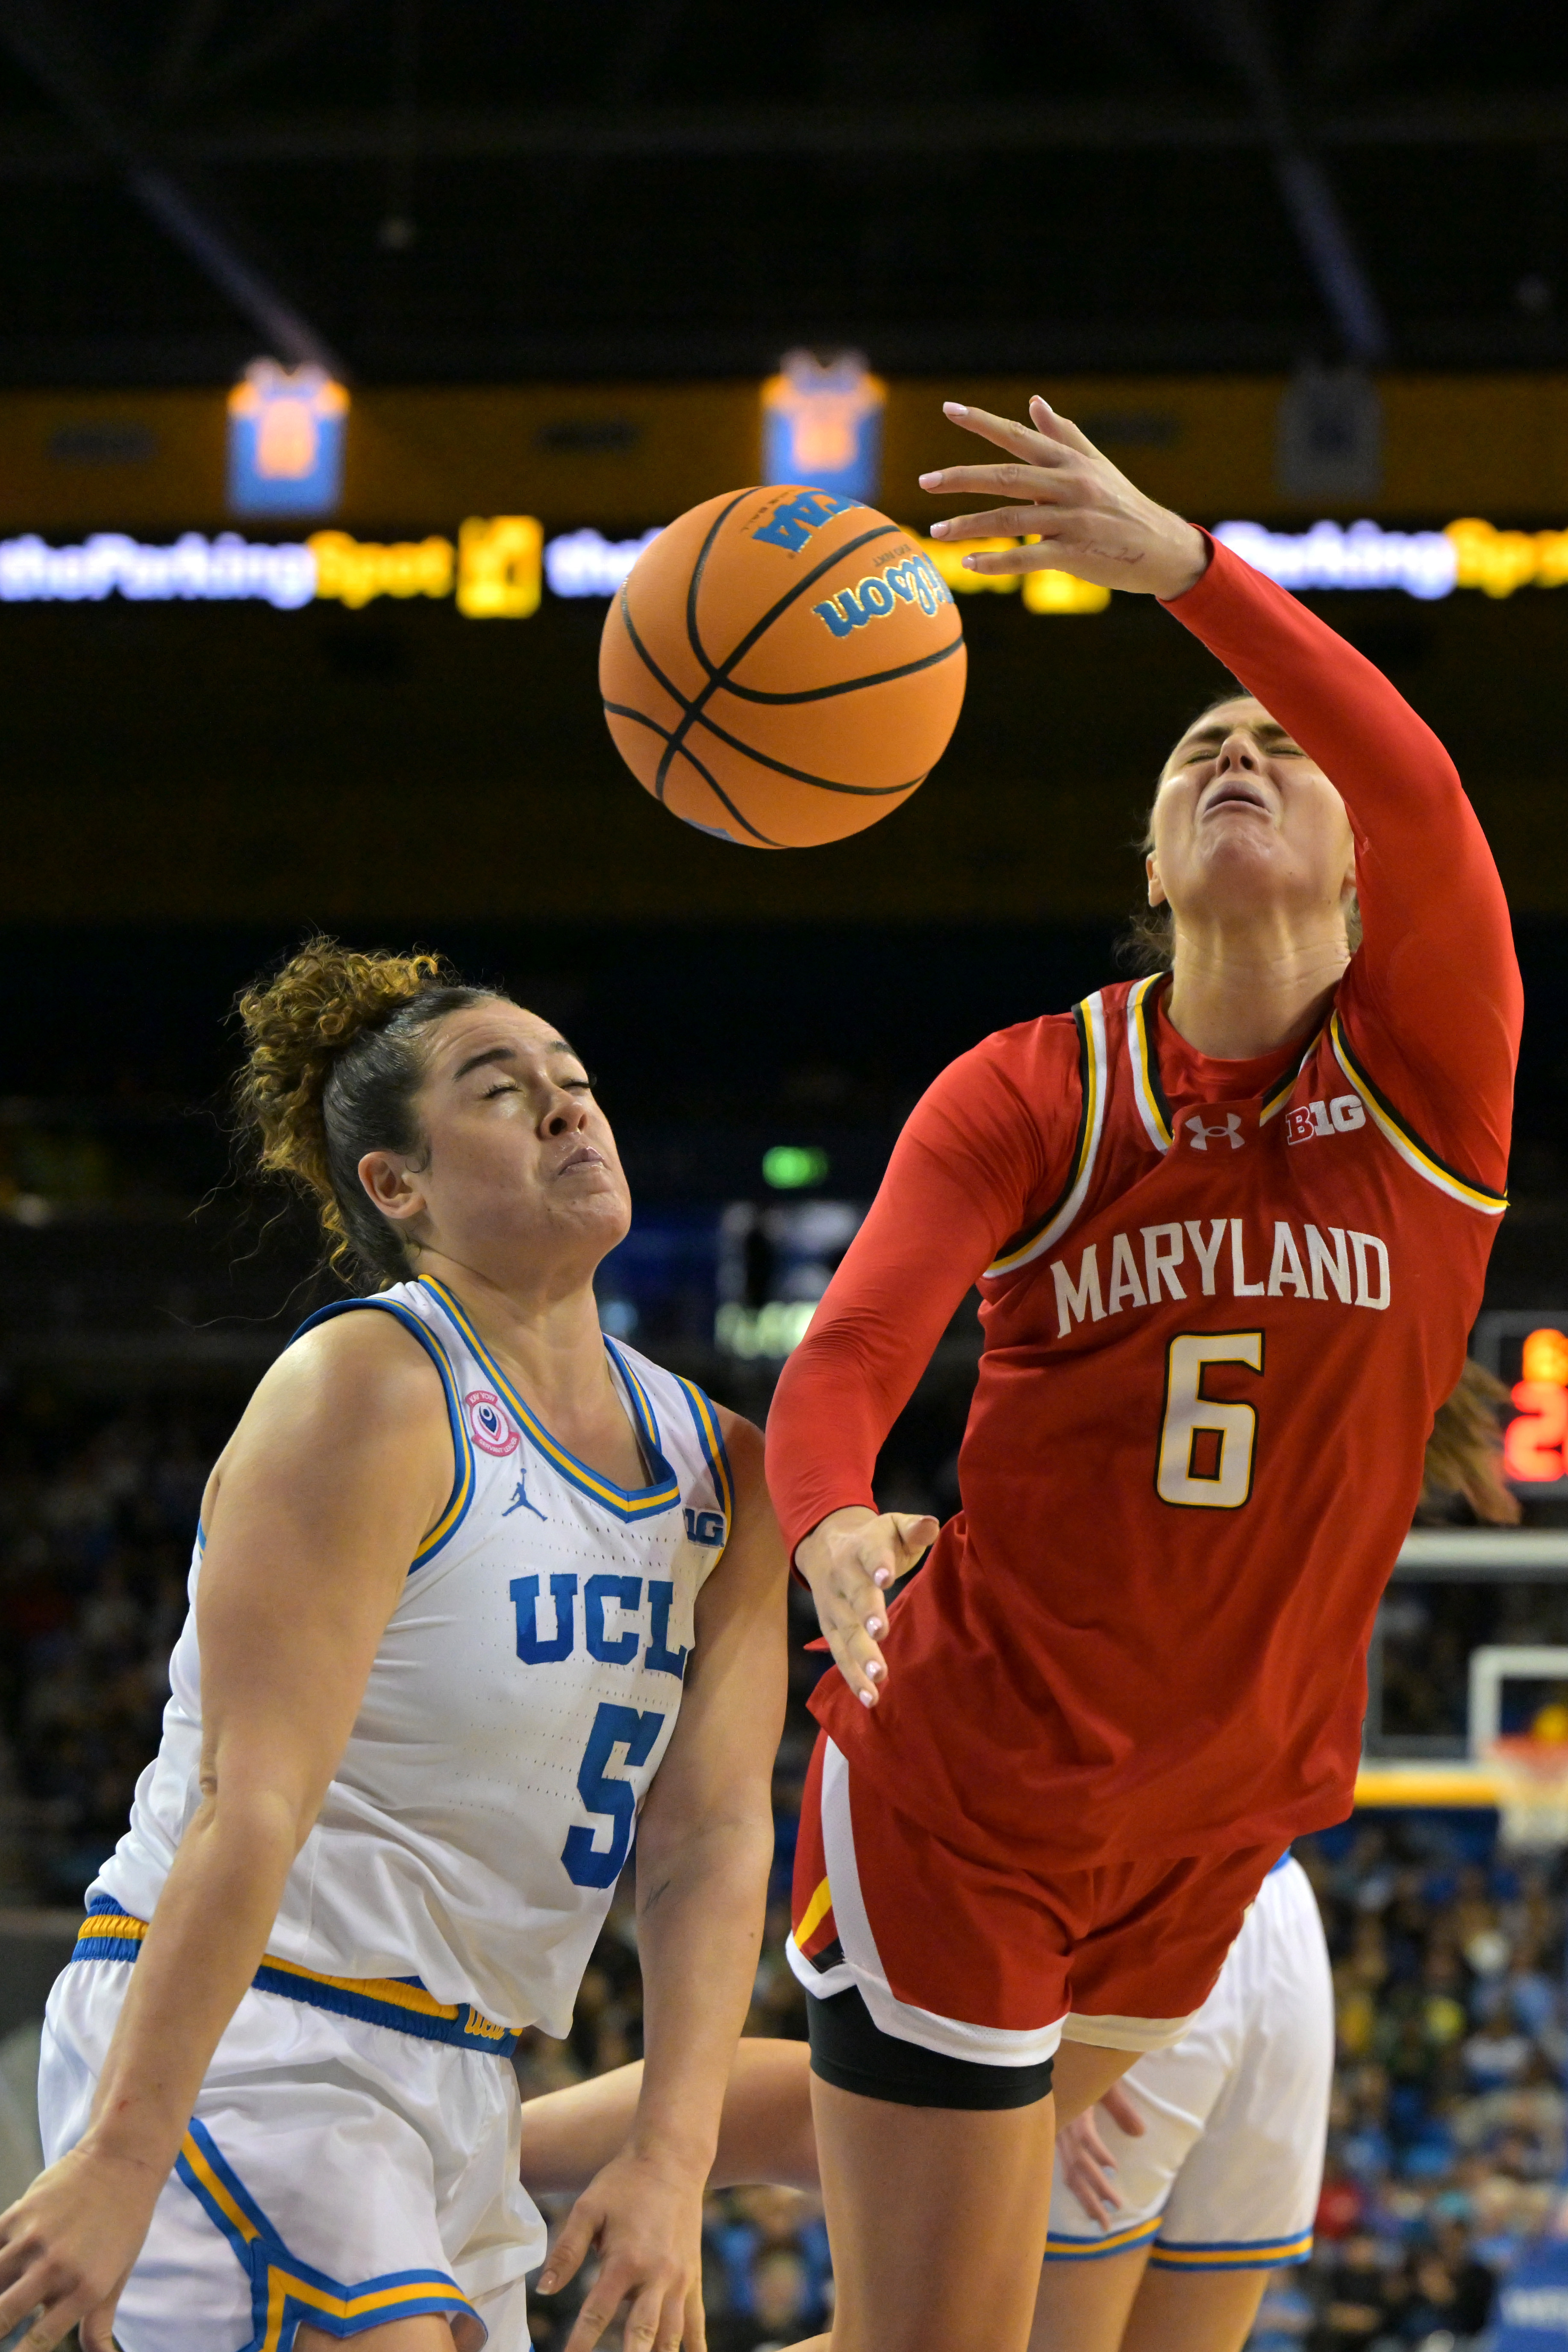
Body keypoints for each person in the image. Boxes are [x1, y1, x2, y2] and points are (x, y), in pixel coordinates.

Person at [763, 394, 1522, 2352]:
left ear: (1365, 888)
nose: (1238, 753)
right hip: (973, 1778)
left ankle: (551, 2161)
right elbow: (852, 1346)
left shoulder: (1430, 1080)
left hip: (1217, 1819)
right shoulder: (1035, 1087)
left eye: (1279, 748)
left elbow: (1425, 784)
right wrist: (832, 1517)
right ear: (1156, 861)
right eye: (1201, 749)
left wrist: (1185, 573)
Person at [0, 940, 787, 2352]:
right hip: (249, 2035)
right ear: (396, 1184)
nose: (566, 1107)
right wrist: (123, 2153)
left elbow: (713, 1836)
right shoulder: (367, 1384)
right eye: (502, 1090)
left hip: (462, 2076)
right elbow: (257, 1801)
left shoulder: (723, 1466)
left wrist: (673, 2159)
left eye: (576, 1079)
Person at [512, 1360, 1519, 2352]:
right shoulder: (1153, 1300)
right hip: (1091, 1854)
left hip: (1257, 1894)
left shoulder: (1365, 1301)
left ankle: (490, 2156)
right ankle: (490, 2156)